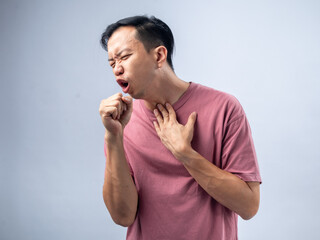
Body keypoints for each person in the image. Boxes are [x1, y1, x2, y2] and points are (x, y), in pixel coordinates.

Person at [99, 15, 261, 240]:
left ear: (158, 55)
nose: (117, 68)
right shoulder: (121, 122)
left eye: (124, 57)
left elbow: (249, 206)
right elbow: (122, 216)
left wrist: (185, 154)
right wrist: (113, 137)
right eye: (112, 63)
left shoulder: (224, 108)